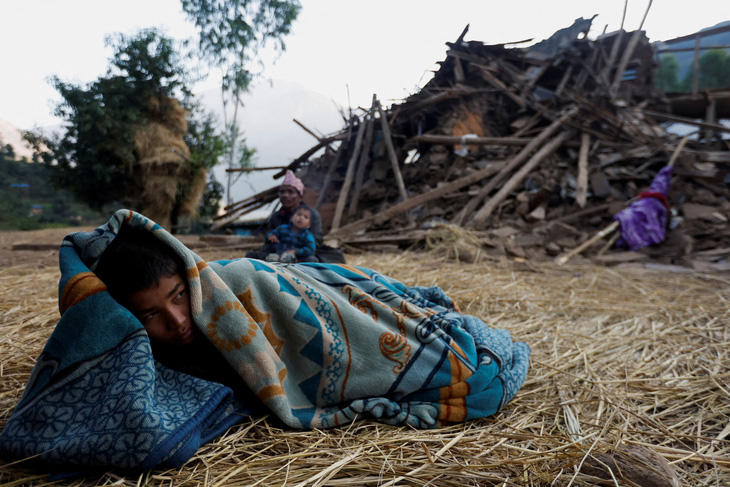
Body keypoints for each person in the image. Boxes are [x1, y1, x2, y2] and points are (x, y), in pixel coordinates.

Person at [0, 209, 530, 471]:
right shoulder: (134, 340)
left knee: (466, 372)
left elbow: (302, 301)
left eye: (179, 297)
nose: (176, 320)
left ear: (190, 276)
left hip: (306, 285)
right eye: (150, 316)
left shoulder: (233, 285)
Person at [246, 170, 345, 263]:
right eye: (282, 192)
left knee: (326, 258)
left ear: (300, 195)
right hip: (278, 252)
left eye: (290, 192)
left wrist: (296, 250)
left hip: (303, 253)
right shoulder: (276, 216)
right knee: (251, 256)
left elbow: (316, 241)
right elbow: (269, 238)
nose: (285, 195)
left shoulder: (312, 214)